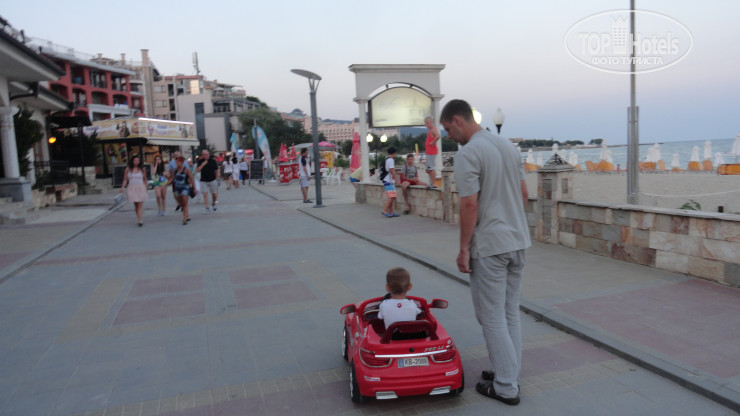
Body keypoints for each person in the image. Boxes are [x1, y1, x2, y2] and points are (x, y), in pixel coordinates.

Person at [441, 99, 530, 406]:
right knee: (509, 312)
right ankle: (508, 372)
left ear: (458, 119)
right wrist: (511, 222)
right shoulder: (508, 146)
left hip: (490, 246)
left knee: (491, 316)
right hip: (517, 240)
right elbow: (523, 194)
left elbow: (470, 204)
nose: (449, 135)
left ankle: (506, 386)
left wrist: (463, 248)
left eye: (448, 128)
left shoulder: (468, 153)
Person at [120, 154, 148, 227]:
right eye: (135, 160)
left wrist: (146, 187)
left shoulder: (142, 169)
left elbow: (145, 179)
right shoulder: (128, 169)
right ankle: (138, 218)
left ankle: (140, 220)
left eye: (138, 160)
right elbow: (125, 179)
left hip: (140, 187)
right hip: (132, 188)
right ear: (132, 161)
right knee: (136, 205)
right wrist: (122, 187)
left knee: (140, 205)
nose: (136, 162)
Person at [168, 156, 194, 225]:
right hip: (177, 189)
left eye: (177, 162)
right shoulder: (175, 170)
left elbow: (191, 179)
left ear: (181, 162)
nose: (176, 163)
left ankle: (184, 219)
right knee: (182, 203)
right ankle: (186, 216)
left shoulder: (186, 170)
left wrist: (194, 188)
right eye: (175, 162)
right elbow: (172, 178)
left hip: (185, 188)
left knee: (185, 204)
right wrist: (166, 183)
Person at [196, 150, 220, 214]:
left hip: (212, 180)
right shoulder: (200, 161)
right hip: (203, 180)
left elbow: (217, 169)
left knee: (214, 194)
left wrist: (217, 177)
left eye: (208, 154)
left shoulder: (213, 161)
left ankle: (213, 203)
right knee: (205, 194)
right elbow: (197, 170)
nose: (207, 155)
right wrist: (203, 164)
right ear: (203, 155)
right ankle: (207, 208)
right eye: (206, 154)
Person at [381, 147, 399, 218]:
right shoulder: (391, 160)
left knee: (391, 196)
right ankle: (385, 210)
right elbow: (392, 170)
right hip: (389, 180)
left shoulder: (386, 159)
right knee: (392, 196)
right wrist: (396, 179)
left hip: (386, 180)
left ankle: (391, 212)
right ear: (394, 153)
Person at [424, 116, 440, 188]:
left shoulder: (433, 130)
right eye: (426, 123)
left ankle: (433, 183)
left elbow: (438, 136)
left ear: (431, 122)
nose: (426, 125)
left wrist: (433, 142)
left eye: (427, 123)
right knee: (428, 169)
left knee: (431, 168)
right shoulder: (430, 130)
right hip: (429, 152)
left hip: (431, 152)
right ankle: (431, 183)